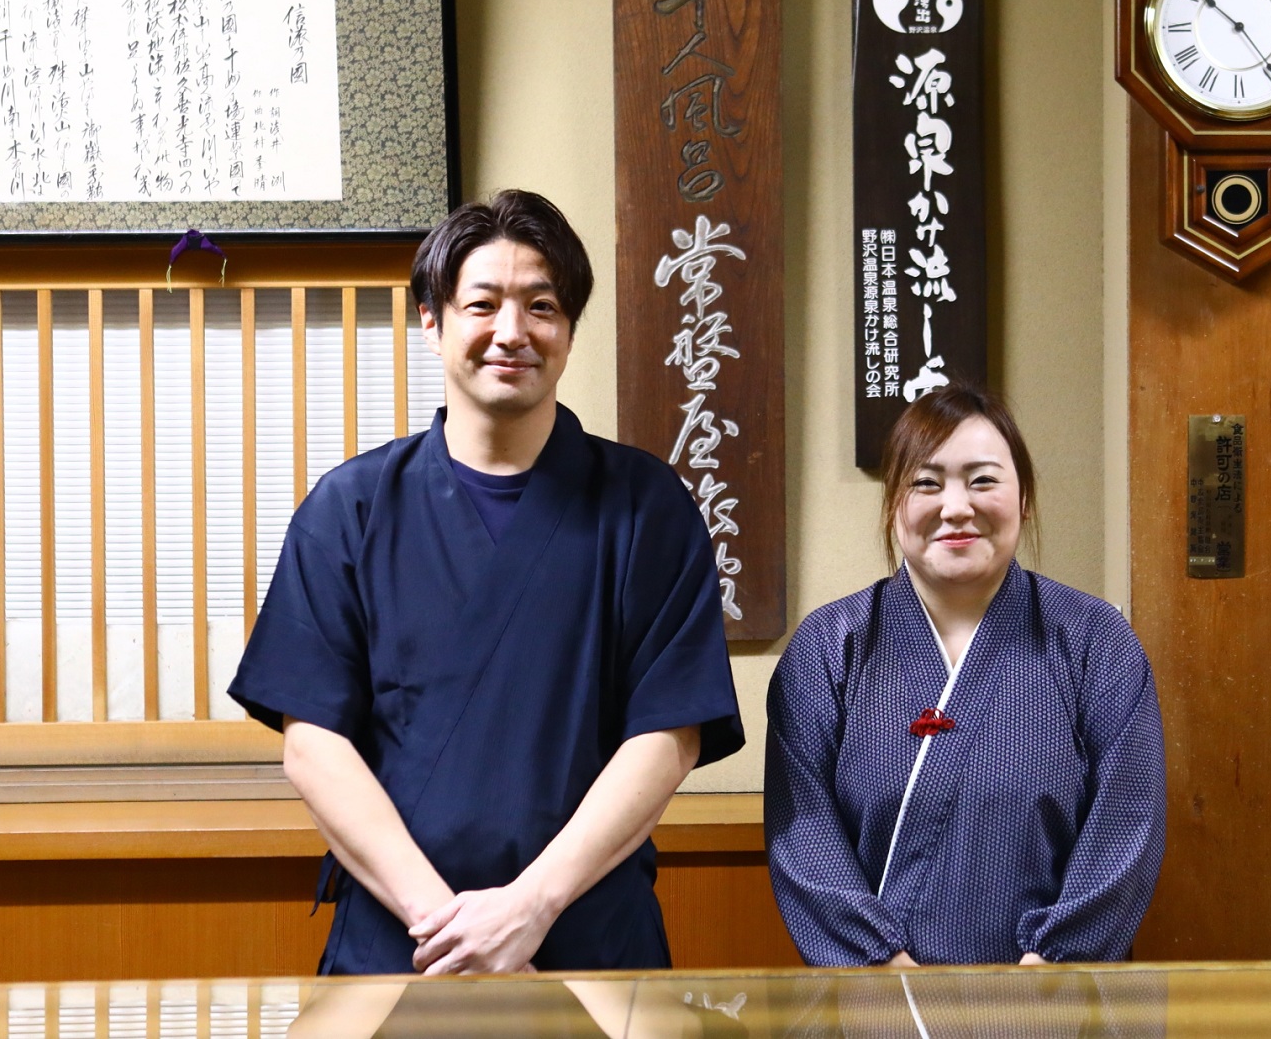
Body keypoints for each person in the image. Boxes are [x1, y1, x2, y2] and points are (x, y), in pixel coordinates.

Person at [229, 190, 743, 975]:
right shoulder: (350, 509)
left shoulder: (647, 508)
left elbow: (668, 736)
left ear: (569, 330)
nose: (512, 331)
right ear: (432, 321)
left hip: (587, 940)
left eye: (541, 305)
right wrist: (457, 933)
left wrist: (529, 907)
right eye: (483, 304)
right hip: (404, 943)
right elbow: (312, 743)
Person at [765, 382, 1165, 966]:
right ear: (894, 504)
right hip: (878, 1006)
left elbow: (1129, 824)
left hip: (1054, 1007)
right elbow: (802, 837)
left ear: (1023, 497)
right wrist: (882, 969)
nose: (956, 506)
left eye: (983, 480)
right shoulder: (829, 647)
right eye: (926, 483)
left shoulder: (1094, 639)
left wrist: (1050, 970)